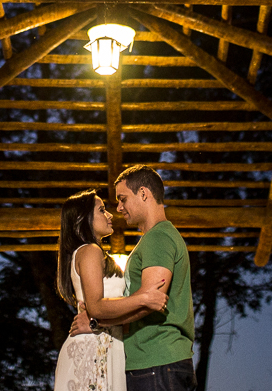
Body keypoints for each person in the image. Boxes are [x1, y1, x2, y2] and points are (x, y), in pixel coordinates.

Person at [72, 166, 196, 391]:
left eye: (123, 199)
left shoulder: (158, 238)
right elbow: (145, 300)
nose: (119, 208)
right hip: (157, 364)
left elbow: (150, 302)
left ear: (144, 193)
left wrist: (96, 322)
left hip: (157, 363)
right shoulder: (155, 238)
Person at [54, 189, 169, 391]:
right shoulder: (90, 251)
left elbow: (98, 312)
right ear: (83, 218)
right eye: (101, 210)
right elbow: (96, 306)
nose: (109, 215)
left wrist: (94, 322)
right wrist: (144, 298)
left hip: (104, 342)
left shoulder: (93, 253)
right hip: (92, 350)